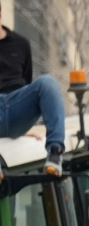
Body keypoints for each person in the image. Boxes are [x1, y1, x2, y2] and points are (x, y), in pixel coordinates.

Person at [0, 13, 65, 176]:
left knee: (47, 82)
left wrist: (24, 127)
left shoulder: (20, 44)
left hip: (16, 105)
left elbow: (27, 84)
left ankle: (55, 154)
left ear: (0, 15)